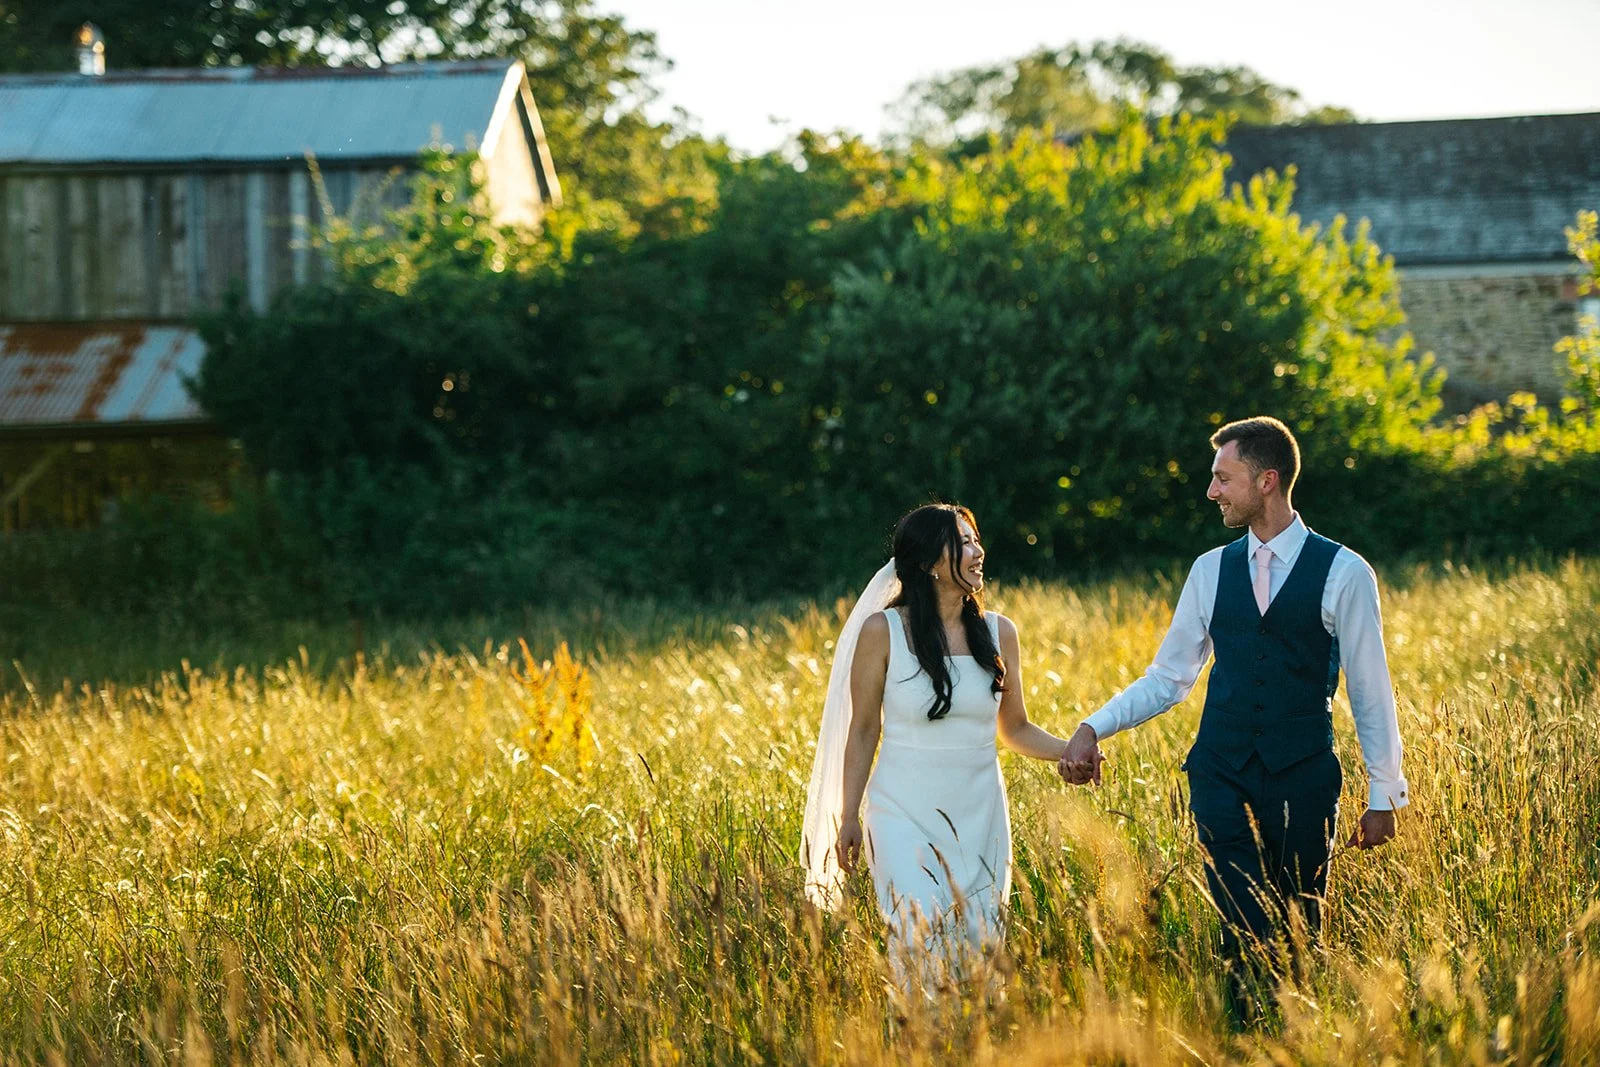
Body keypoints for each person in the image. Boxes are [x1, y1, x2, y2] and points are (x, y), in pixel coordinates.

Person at [1058, 416, 1408, 1017]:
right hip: (1220, 772)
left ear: (1266, 480)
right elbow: (1169, 678)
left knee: (1299, 928)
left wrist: (1385, 794)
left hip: (1304, 776)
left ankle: (1288, 1039)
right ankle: (1242, 1036)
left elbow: (1369, 690)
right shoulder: (1208, 570)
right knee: (1240, 917)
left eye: (1223, 478)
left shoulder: (1345, 572)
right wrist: (1095, 724)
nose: (1211, 491)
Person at [800, 503, 1071, 991]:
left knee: (980, 953)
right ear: (928, 563)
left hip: (982, 817)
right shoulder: (882, 632)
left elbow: (1016, 729)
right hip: (902, 815)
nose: (978, 552)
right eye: (963, 543)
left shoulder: (999, 633)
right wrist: (847, 815)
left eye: (975, 539)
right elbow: (862, 729)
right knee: (918, 943)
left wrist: (1071, 750)